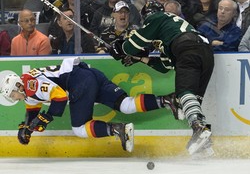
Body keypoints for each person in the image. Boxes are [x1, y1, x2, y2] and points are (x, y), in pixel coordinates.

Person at [0, 57, 177, 151]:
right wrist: (27, 127)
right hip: (89, 74)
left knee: (79, 128)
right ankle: (167, 101)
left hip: (78, 81)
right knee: (125, 105)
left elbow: (60, 96)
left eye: (13, 95)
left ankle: (118, 129)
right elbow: (32, 110)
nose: (14, 98)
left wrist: (46, 117)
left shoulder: (31, 84)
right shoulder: (28, 92)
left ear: (17, 86)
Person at [109, 0, 214, 155]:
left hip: (187, 50)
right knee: (192, 100)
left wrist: (121, 47)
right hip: (205, 53)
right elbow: (164, 66)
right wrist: (140, 58)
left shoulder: (157, 17)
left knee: (183, 93)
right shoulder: (171, 29)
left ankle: (200, 128)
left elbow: (131, 46)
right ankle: (204, 144)